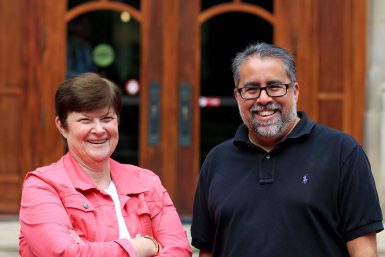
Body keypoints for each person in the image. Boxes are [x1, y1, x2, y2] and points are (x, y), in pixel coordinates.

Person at [191, 42, 384, 257]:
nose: (263, 99)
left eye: (274, 87)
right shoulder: (217, 161)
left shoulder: (342, 153)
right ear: (237, 96)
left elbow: (364, 252)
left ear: (295, 90)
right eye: (251, 89)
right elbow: (207, 250)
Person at [19, 73, 192, 257]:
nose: (99, 130)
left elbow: (179, 251)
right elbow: (62, 253)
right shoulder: (42, 186)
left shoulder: (147, 183)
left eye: (107, 118)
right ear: (61, 126)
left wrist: (86, 249)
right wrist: (142, 247)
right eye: (85, 120)